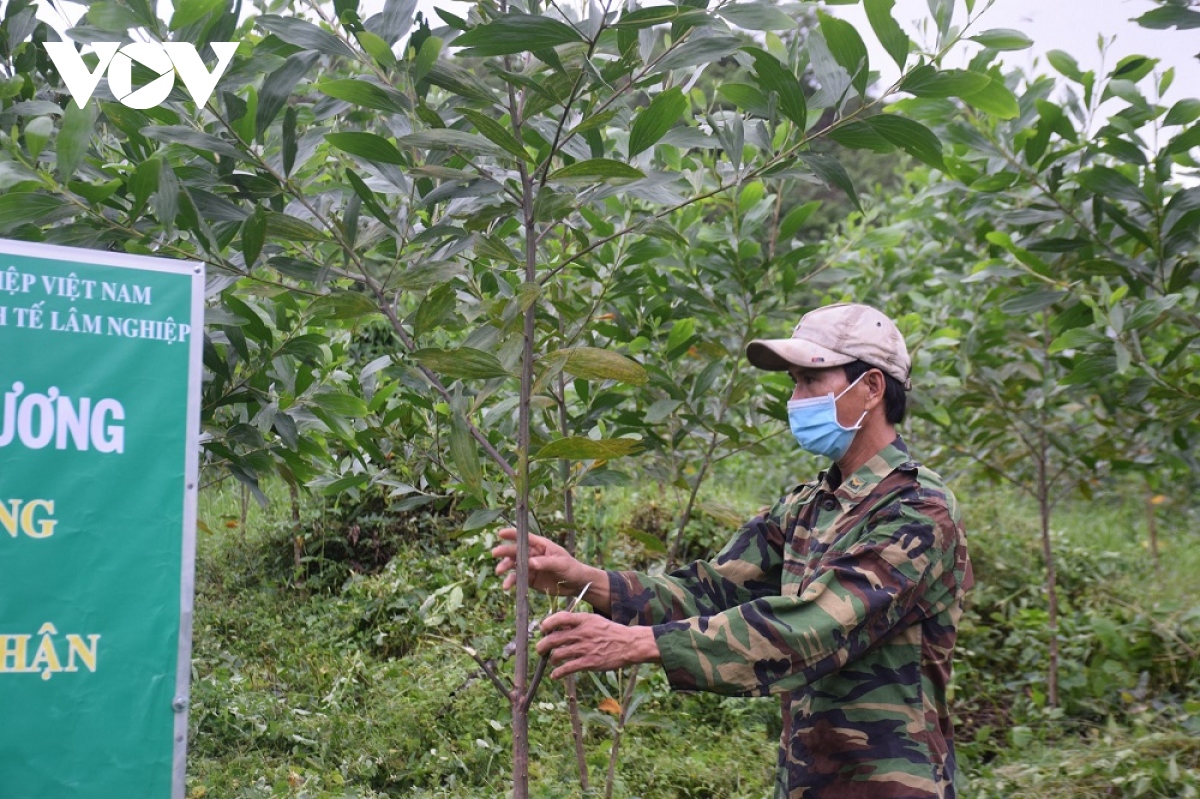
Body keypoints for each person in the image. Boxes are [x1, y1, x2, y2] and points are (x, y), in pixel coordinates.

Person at [492, 302, 973, 799]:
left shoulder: (918, 511)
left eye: (811, 380)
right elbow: (712, 588)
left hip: (894, 786)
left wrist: (641, 643)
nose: (797, 397)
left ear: (871, 388)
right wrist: (584, 579)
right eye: (794, 382)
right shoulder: (809, 506)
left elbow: (817, 625)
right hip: (808, 781)